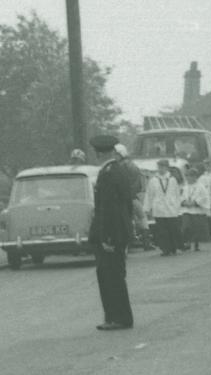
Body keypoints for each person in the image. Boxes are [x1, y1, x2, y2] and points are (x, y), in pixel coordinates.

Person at [87, 134, 135, 331]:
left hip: (110, 234)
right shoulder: (118, 170)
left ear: (98, 152)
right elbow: (126, 205)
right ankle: (116, 316)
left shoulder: (108, 173)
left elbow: (109, 208)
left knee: (111, 276)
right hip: (118, 231)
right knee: (112, 275)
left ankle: (118, 317)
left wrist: (107, 237)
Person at [143, 159, 182, 256]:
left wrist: (178, 207)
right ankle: (165, 249)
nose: (161, 169)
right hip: (159, 208)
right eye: (159, 167)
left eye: (163, 167)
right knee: (162, 230)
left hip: (171, 208)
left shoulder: (172, 180)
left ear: (167, 168)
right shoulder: (153, 180)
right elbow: (149, 194)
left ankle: (174, 247)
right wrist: (147, 208)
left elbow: (177, 194)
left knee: (173, 229)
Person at [180, 167, 211, 251]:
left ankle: (196, 243)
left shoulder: (200, 187)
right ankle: (187, 242)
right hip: (187, 210)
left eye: (190, 176)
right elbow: (180, 196)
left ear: (194, 177)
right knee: (186, 226)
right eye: (187, 176)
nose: (188, 178)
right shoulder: (185, 187)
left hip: (197, 210)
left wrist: (195, 202)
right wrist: (183, 202)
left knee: (196, 228)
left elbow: (205, 197)